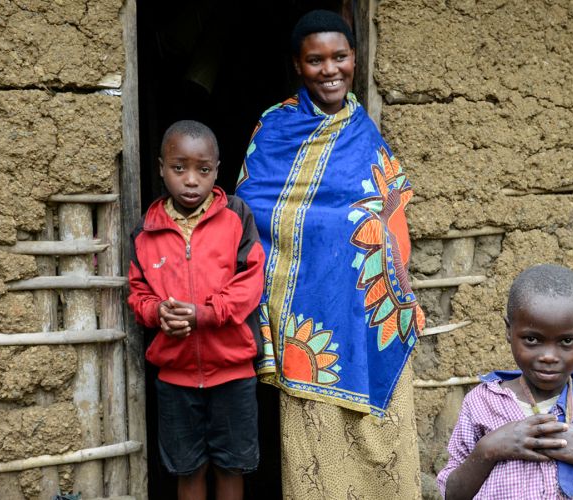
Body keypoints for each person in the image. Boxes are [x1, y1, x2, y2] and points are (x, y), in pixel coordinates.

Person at [235, 10, 426, 499]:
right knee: (317, 446)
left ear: (354, 59)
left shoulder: (365, 134)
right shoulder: (274, 127)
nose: (330, 69)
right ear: (298, 66)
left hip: (367, 307)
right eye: (315, 60)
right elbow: (252, 211)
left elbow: (389, 216)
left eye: (339, 57)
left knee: (380, 435)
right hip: (308, 316)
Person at [127, 120, 265, 500]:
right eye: (179, 168)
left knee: (231, 467)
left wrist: (205, 313)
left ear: (216, 171)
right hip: (175, 378)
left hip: (233, 373)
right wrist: (157, 314)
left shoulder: (236, 216)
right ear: (160, 167)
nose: (191, 180)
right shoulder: (146, 231)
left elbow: (251, 282)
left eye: (202, 170)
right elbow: (138, 293)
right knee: (188, 470)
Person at [437, 264, 573, 499]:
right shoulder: (482, 403)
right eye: (532, 339)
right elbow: (452, 494)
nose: (549, 356)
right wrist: (488, 449)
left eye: (566, 341)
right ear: (509, 331)